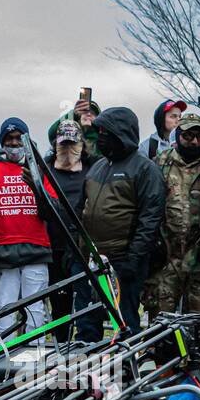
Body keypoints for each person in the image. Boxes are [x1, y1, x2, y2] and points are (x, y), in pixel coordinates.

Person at [79, 107, 165, 338]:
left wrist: (133, 261)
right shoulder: (98, 166)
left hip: (124, 259)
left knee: (125, 321)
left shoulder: (146, 169)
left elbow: (151, 219)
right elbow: (83, 210)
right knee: (88, 319)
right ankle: (90, 366)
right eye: (100, 133)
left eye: (106, 133)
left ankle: (126, 369)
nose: (101, 139)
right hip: (95, 259)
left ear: (121, 134)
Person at [0, 118, 57, 340]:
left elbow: (53, 211)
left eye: (18, 138)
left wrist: (36, 186)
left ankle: (35, 355)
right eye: (9, 139)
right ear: (2, 142)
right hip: (3, 251)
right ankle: (3, 358)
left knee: (36, 309)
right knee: (3, 307)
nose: (14, 143)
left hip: (36, 248)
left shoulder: (40, 170)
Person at [143, 111, 200, 317]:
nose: (194, 141)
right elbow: (148, 203)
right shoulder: (160, 162)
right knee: (160, 322)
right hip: (167, 254)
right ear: (178, 136)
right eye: (188, 136)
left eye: (199, 136)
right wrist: (152, 241)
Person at [44, 119, 96, 341]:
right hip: (53, 245)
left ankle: (87, 344)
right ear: (55, 144)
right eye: (63, 144)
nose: (68, 149)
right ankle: (60, 343)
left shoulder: (93, 168)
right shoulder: (43, 169)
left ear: (82, 145)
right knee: (59, 301)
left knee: (86, 298)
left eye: (72, 144)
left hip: (82, 245)